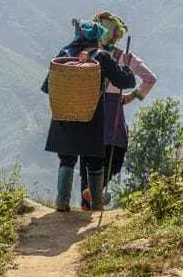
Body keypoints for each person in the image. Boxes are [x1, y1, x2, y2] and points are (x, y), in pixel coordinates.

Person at [42, 18, 137, 211]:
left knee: (67, 159)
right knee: (95, 161)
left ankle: (62, 201)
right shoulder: (100, 56)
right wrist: (126, 65)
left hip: (65, 116)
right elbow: (126, 82)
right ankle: (96, 203)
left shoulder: (63, 55)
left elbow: (48, 87)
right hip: (91, 117)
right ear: (97, 38)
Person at [78, 11, 156, 209]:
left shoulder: (87, 54)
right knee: (113, 157)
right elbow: (149, 79)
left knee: (88, 159)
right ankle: (94, 197)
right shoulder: (125, 59)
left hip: (89, 112)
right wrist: (131, 97)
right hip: (112, 114)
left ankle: (88, 201)